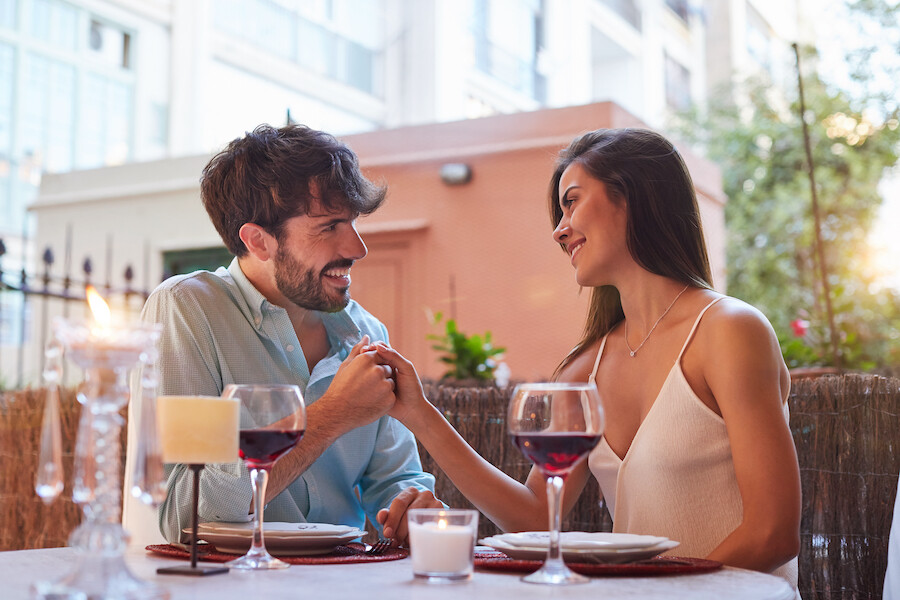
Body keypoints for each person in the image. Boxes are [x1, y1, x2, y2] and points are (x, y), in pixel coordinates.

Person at [372, 128, 802, 589]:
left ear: (633, 196)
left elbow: (772, 533)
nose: (559, 230)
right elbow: (535, 516)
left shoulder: (730, 331)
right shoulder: (586, 370)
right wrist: (419, 413)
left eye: (572, 202)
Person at [128, 123, 440, 545]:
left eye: (352, 222)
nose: (358, 248)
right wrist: (330, 416)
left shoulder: (367, 331)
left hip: (345, 582)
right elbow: (187, 514)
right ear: (259, 241)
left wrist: (408, 505)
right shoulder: (186, 309)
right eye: (330, 226)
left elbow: (396, 481)